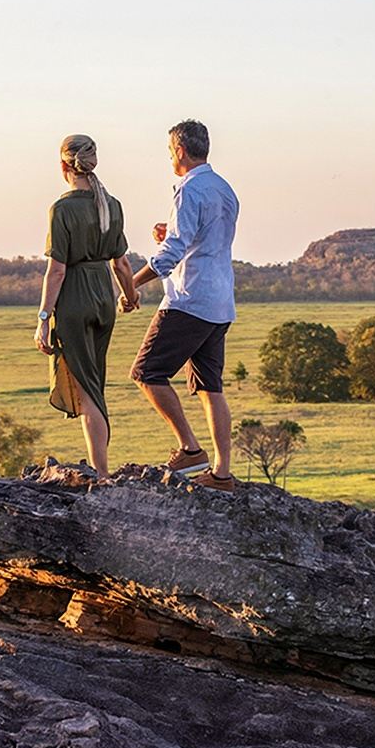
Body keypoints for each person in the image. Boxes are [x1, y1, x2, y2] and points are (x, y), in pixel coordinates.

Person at [130, 119, 240, 492]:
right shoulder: (225, 190)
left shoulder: (189, 190)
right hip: (221, 300)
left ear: (179, 150)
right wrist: (170, 234)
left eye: (169, 151)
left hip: (189, 299)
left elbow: (175, 250)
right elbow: (202, 239)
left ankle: (190, 449)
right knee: (210, 386)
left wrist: (132, 282)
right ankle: (221, 475)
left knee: (147, 372)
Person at [35, 134, 140, 480]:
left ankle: (101, 472)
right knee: (95, 381)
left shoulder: (62, 209)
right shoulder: (112, 204)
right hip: (103, 297)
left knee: (88, 388)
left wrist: (43, 317)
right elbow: (122, 264)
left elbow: (58, 270)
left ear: (63, 166)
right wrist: (130, 296)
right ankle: (100, 466)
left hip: (75, 297)